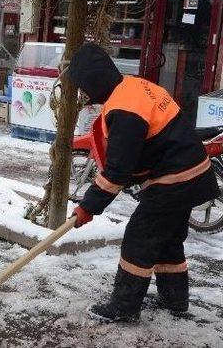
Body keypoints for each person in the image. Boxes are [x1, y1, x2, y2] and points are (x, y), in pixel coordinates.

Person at [69, 43, 220, 323]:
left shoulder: (124, 109)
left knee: (139, 239)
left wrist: (88, 207)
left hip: (174, 180)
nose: (83, 93)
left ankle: (124, 307)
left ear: (93, 81)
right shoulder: (134, 86)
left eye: (83, 85)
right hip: (191, 172)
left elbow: (117, 171)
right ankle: (175, 300)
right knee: (167, 240)